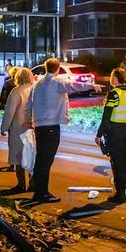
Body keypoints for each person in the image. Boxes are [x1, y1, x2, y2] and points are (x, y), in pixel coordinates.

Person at [26, 57, 82, 203]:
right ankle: (42, 193)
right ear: (58, 69)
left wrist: (30, 121)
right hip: (50, 125)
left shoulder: (37, 84)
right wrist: (93, 86)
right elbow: (74, 86)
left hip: (39, 126)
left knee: (41, 159)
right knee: (46, 161)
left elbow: (29, 104)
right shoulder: (56, 82)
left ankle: (38, 190)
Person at [96, 68, 126, 203]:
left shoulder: (114, 94)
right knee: (125, 161)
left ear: (115, 79)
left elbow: (106, 116)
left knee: (117, 163)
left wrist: (99, 134)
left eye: (111, 77)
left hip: (116, 132)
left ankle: (120, 194)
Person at [0, 67, 36, 192]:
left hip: (18, 128)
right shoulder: (34, 90)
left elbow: (9, 112)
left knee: (18, 157)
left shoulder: (16, 92)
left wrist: (4, 127)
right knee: (31, 155)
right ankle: (32, 183)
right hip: (32, 128)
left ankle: (21, 184)